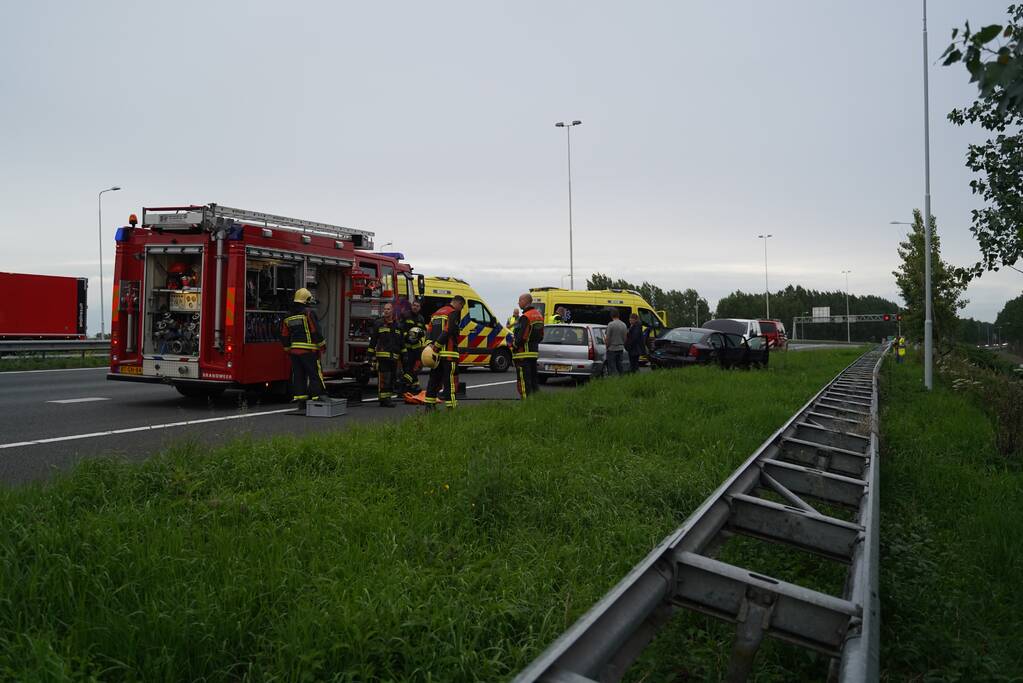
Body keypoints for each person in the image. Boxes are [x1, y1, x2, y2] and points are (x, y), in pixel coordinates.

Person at [280, 288, 327, 407]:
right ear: (306, 300)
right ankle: (317, 397)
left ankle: (301, 400)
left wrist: (287, 348)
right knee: (314, 373)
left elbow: (284, 334)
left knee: (299, 375)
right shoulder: (308, 313)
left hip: (294, 352)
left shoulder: (288, 316)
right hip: (308, 350)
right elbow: (315, 330)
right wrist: (322, 345)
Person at [425, 295, 464, 410]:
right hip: (449, 354)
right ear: (459, 304)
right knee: (449, 382)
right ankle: (451, 408)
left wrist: (430, 345)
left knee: (433, 381)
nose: (461, 310)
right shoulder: (453, 313)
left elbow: (429, 331)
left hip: (435, 356)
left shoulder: (436, 313)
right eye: (461, 307)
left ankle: (429, 406)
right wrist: (437, 346)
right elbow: (449, 330)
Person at [368, 302, 403, 407]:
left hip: (394, 357)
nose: (386, 311)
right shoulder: (378, 323)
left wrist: (404, 355)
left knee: (392, 378)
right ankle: (384, 399)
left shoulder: (397, 325)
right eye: (385, 309)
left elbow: (401, 342)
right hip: (382, 356)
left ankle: (387, 398)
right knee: (384, 378)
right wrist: (369, 354)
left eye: (388, 309)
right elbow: (373, 340)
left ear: (392, 311)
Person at [510, 293, 544, 398]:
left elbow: (522, 337)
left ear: (525, 301)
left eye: (520, 300)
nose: (518, 303)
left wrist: (514, 346)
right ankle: (536, 401)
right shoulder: (539, 316)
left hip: (523, 354)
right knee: (534, 380)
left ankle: (526, 402)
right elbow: (541, 336)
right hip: (533, 353)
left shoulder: (525, 317)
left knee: (524, 381)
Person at [400, 298, 427, 393]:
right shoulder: (405, 315)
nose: (415, 307)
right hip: (406, 347)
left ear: (420, 308)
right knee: (407, 368)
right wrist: (407, 337)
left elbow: (423, 332)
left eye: (417, 306)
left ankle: (411, 385)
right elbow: (400, 329)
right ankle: (407, 386)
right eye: (414, 305)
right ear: (411, 306)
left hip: (416, 349)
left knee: (416, 368)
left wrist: (421, 340)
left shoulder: (421, 318)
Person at [604, 309, 628, 376]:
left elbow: (607, 338)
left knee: (612, 366)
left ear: (611, 316)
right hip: (620, 348)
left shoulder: (610, 324)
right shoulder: (624, 325)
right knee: (619, 365)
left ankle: (613, 378)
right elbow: (625, 338)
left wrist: (607, 347)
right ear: (618, 315)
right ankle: (621, 378)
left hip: (612, 348)